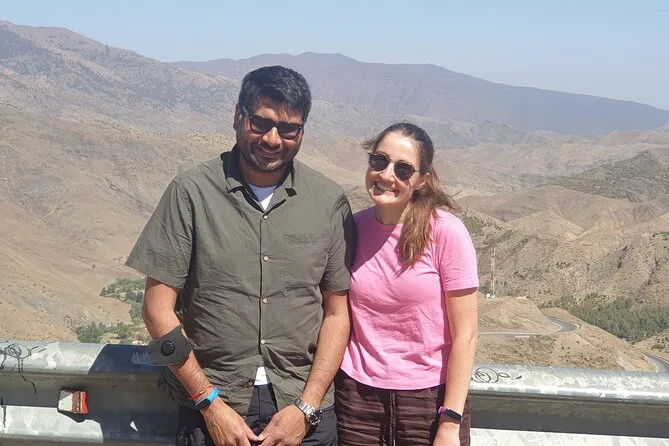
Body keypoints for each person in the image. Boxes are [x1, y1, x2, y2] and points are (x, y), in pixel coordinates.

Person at [125, 65, 355, 446]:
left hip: (301, 411)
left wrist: (307, 406)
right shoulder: (191, 193)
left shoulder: (328, 201)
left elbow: (336, 314)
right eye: (260, 123)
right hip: (213, 409)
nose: (273, 139)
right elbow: (155, 310)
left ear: (302, 131)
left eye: (289, 129)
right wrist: (208, 402)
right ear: (238, 116)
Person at [335, 122, 479, 446]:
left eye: (403, 169)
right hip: (357, 400)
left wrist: (450, 421)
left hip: (428, 403)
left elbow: (466, 335)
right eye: (379, 161)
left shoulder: (445, 232)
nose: (387, 175)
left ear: (421, 180)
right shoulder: (351, 229)